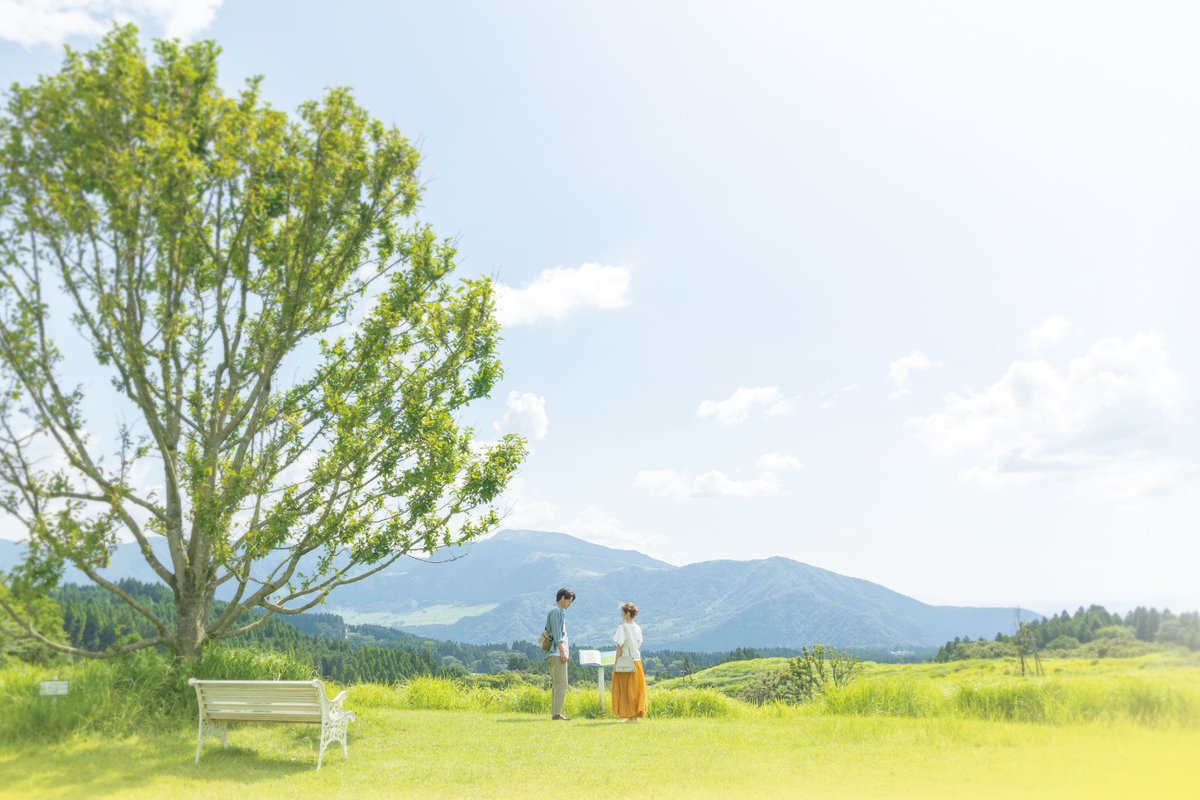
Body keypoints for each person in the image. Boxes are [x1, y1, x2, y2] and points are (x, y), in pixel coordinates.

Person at [611, 601, 647, 722]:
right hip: (637, 661)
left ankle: (630, 715)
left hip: (626, 662)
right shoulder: (637, 628)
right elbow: (638, 643)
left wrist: (616, 663)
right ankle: (634, 715)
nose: (621, 615)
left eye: (622, 612)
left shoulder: (623, 628)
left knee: (626, 689)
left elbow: (620, 647)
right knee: (636, 689)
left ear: (627, 614)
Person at [546, 587, 575, 720]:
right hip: (557, 653)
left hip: (555, 653)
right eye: (569, 601)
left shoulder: (556, 611)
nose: (570, 604)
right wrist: (562, 651)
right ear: (563, 599)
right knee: (561, 684)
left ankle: (555, 713)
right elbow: (557, 634)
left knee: (557, 684)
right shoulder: (556, 612)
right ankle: (557, 714)